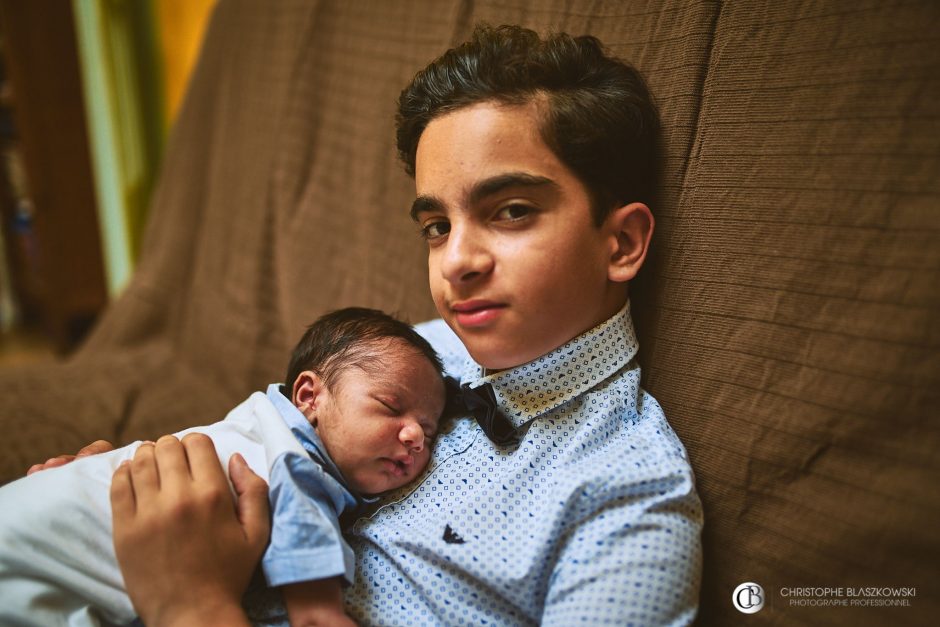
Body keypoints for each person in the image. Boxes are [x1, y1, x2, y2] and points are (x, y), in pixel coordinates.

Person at [38, 24, 704, 626]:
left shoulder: (627, 497)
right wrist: (99, 511)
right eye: (437, 227)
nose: (457, 263)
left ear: (620, 243)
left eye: (512, 211)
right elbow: (275, 443)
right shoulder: (417, 351)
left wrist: (190, 604)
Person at [0, 307, 447, 627]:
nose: (414, 437)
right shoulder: (294, 462)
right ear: (309, 397)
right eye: (391, 407)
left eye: (427, 433)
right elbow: (315, 613)